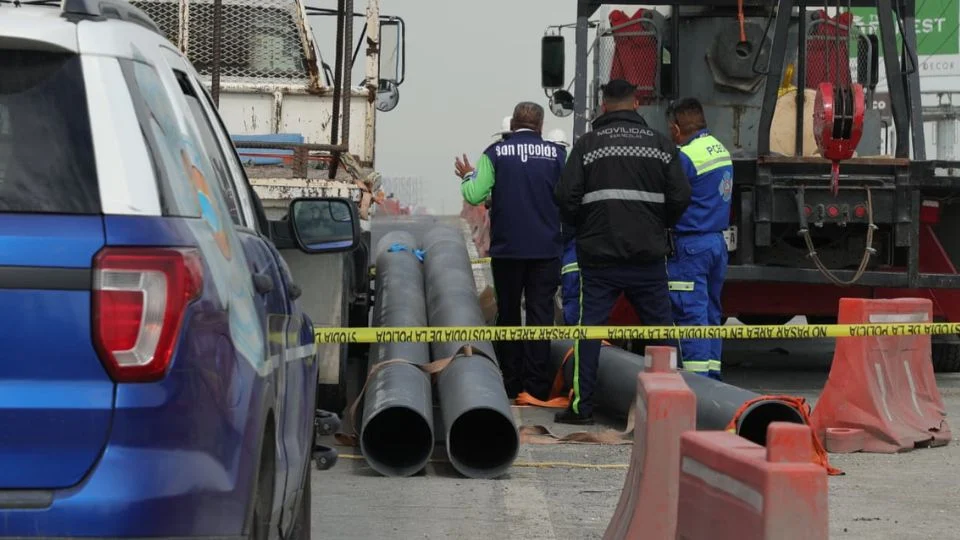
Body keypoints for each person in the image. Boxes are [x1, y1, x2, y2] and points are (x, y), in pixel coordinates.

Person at [554, 79, 691, 424]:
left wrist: (584, 227)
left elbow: (565, 198)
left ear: (603, 107)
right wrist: (657, 225)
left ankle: (582, 409)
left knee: (590, 333)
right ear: (636, 104)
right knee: (661, 332)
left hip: (599, 258)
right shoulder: (661, 146)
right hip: (648, 256)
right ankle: (675, 407)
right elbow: (680, 196)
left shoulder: (587, 146)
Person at [455, 102, 567, 401]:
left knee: (508, 315)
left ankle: (510, 383)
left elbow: (474, 194)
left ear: (513, 124)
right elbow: (570, 196)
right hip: (546, 250)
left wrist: (468, 176)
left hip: (508, 250)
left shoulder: (495, 153)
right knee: (540, 317)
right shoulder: (558, 155)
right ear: (540, 126)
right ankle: (537, 387)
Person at [665, 98, 733, 381]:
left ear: (677, 128)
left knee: (690, 315)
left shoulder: (686, 157)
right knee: (710, 313)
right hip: (717, 244)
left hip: (691, 247)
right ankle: (713, 378)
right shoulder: (720, 149)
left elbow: (670, 197)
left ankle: (698, 385)